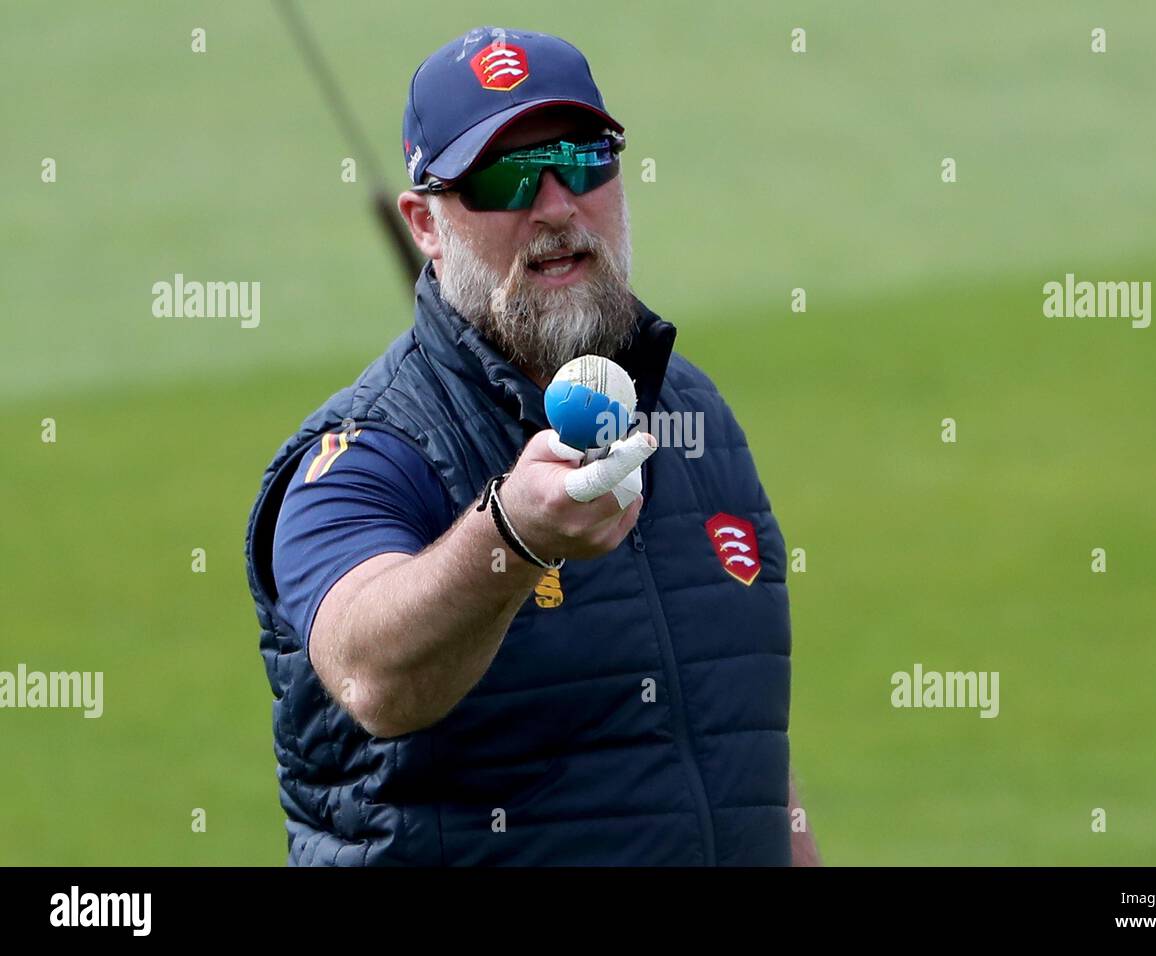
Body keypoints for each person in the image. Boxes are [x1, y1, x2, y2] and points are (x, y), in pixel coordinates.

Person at [244, 25, 820, 866]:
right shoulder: (364, 456)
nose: (555, 206)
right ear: (425, 224)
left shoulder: (689, 411)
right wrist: (510, 537)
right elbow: (372, 676)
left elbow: (737, 739)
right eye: (504, 177)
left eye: (582, 160)